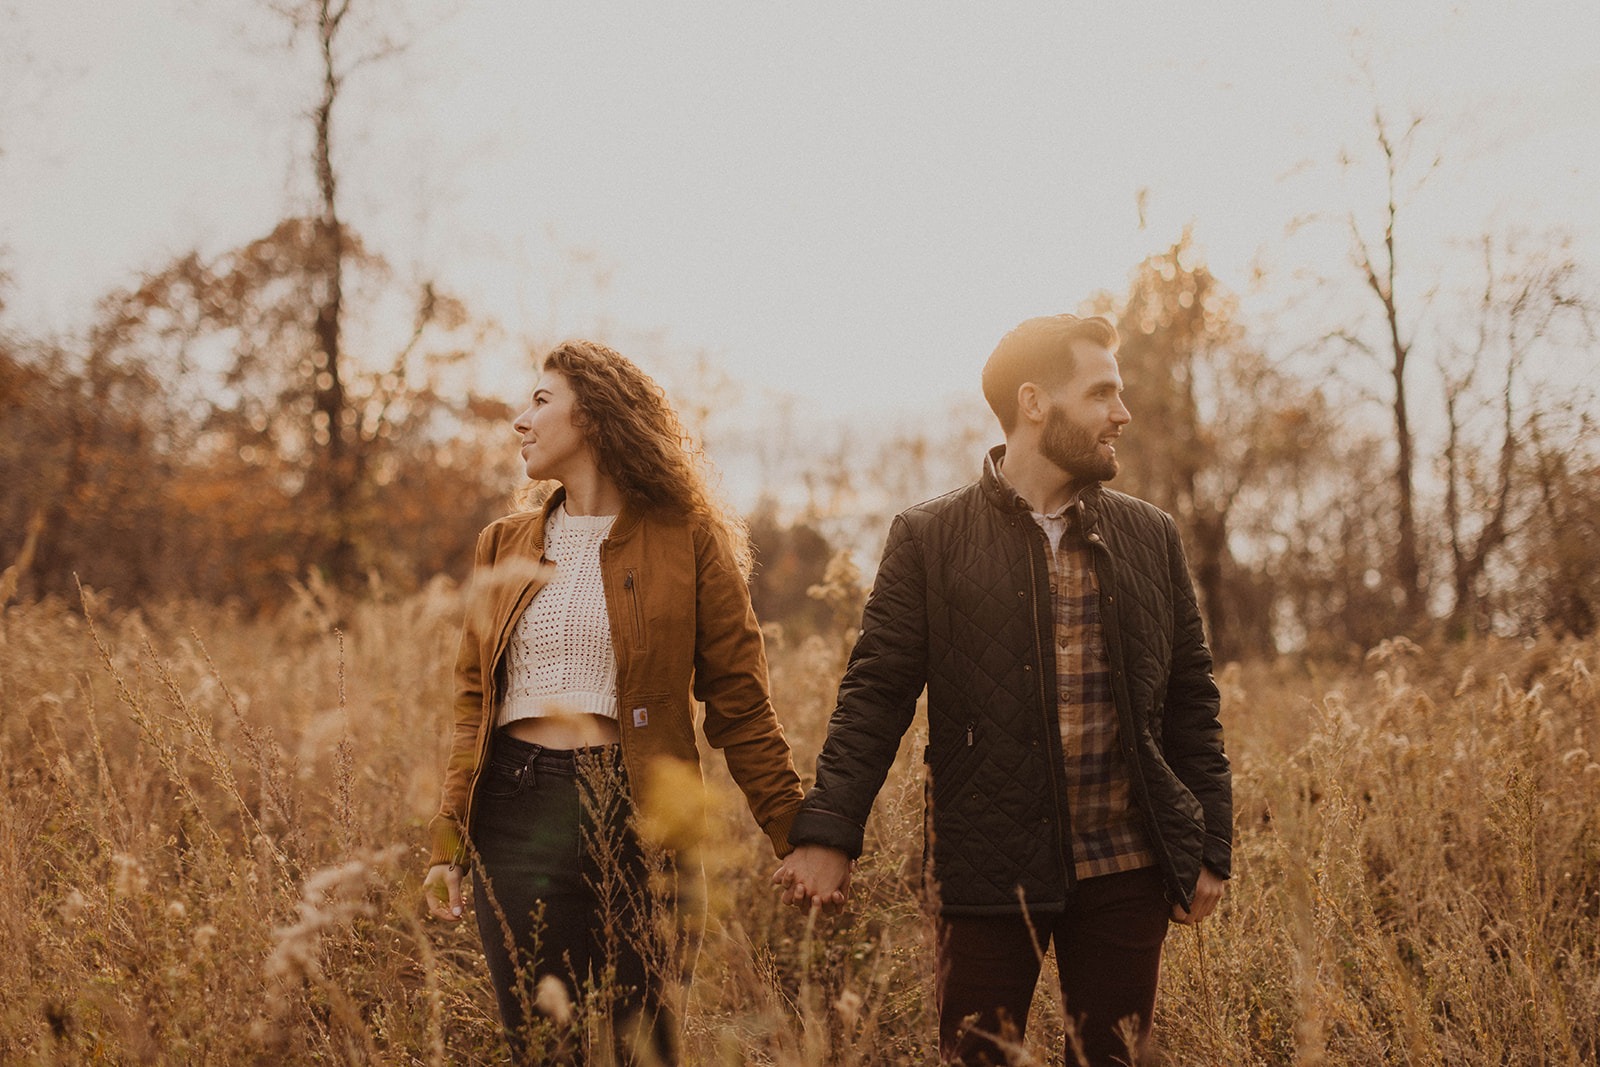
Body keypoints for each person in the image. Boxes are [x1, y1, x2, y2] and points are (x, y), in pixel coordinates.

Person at [773, 313, 1233, 1067]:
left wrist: (1210, 844)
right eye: (1102, 393)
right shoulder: (929, 537)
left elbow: (1192, 702)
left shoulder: (1152, 535)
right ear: (1034, 402)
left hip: (1127, 867)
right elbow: (876, 692)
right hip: (985, 869)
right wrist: (828, 832)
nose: (1122, 413)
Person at [424, 339, 805, 1064]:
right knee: (542, 1049)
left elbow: (740, 700)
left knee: (645, 1048)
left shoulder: (686, 537)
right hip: (516, 809)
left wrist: (796, 831)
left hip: (641, 812)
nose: (518, 420)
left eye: (540, 400)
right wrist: (448, 841)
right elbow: (473, 702)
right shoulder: (502, 543)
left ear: (593, 415)